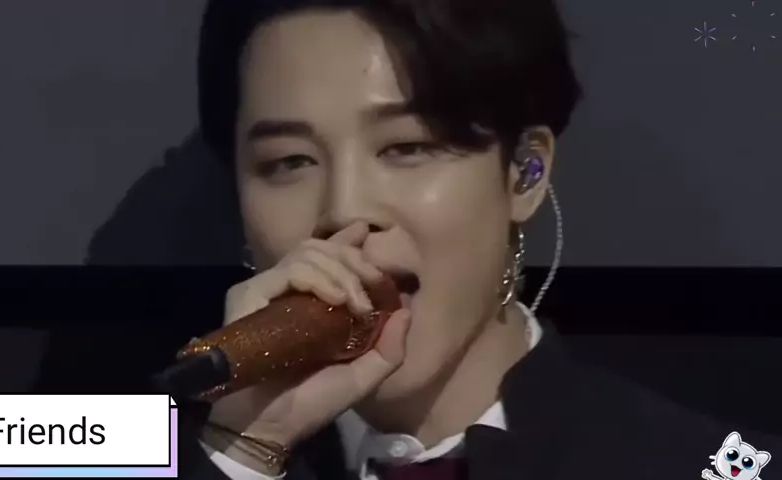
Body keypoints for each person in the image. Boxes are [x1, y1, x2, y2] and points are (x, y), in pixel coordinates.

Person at [173, 0, 782, 478]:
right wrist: (242, 450)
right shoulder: (128, 441)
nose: (345, 211)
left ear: (524, 173)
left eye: (408, 147)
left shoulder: (709, 464)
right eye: (289, 162)